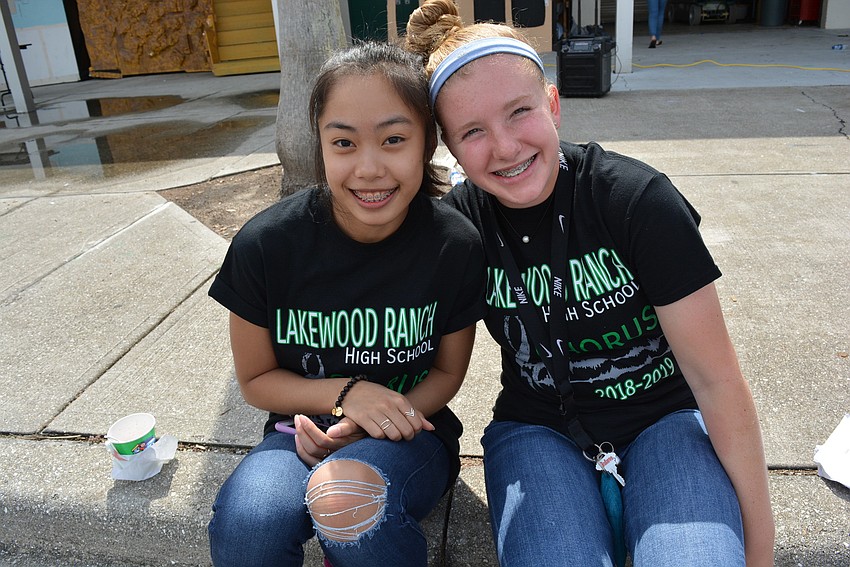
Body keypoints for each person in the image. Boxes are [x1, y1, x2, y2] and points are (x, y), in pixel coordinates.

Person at [404, 1, 775, 566]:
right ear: (450, 148)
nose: (505, 147)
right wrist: (338, 415)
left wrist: (760, 548)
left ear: (553, 105)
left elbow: (717, 380)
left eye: (519, 112)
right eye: (473, 131)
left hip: (665, 420)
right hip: (537, 431)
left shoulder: (636, 202)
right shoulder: (458, 230)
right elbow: (380, 317)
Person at [206, 40, 486, 567]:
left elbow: (448, 374)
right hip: (300, 434)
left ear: (426, 143)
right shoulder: (266, 246)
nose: (369, 168)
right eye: (344, 143)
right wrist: (346, 398)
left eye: (394, 139)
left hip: (411, 434)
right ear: (319, 144)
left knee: (350, 505)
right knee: (247, 526)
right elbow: (256, 381)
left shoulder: (454, 245)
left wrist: (373, 423)